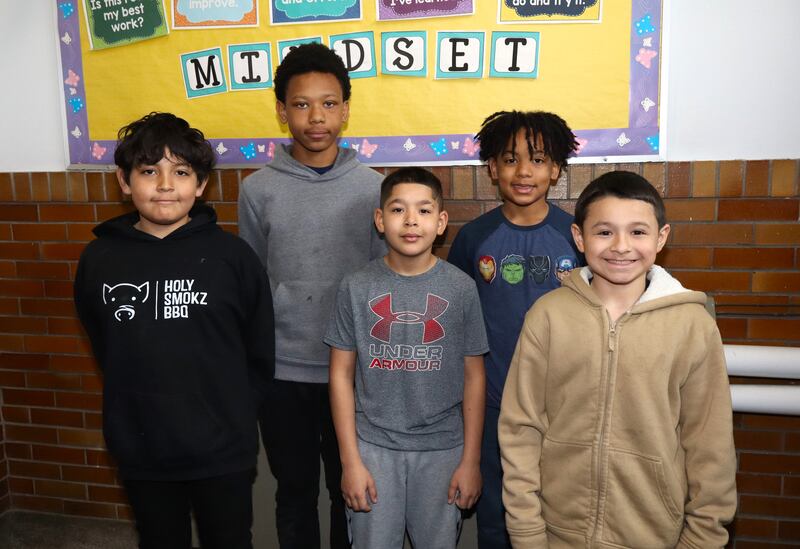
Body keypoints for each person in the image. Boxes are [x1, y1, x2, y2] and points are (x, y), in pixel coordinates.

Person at [499, 171, 737, 548]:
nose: (621, 246)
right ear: (580, 238)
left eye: (638, 232)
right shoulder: (548, 316)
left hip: (654, 536)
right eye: (605, 232)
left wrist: (702, 538)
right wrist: (526, 531)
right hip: (556, 533)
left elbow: (711, 443)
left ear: (661, 237)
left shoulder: (692, 325)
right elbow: (520, 427)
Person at [74, 112, 274, 549]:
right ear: (124, 181)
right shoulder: (99, 260)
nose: (165, 185)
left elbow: (259, 348)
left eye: (181, 172)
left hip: (222, 446)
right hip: (141, 445)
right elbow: (105, 343)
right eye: (149, 171)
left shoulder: (233, 258)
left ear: (201, 185)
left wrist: (234, 413)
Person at [237, 42, 384, 549]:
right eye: (301, 104)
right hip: (283, 372)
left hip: (355, 369)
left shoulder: (374, 188)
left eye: (328, 103)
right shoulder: (257, 190)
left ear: (345, 109)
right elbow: (253, 280)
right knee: (295, 491)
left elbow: (382, 281)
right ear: (282, 111)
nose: (315, 117)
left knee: (351, 489)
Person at [325, 167, 489, 548]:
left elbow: (475, 377)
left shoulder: (461, 289)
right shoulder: (356, 287)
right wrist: (350, 462)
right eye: (398, 209)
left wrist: (470, 461)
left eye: (424, 210)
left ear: (441, 222)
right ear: (380, 220)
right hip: (372, 449)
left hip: (443, 450)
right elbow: (340, 376)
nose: (411, 220)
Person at [447, 110, 581, 549]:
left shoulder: (575, 237)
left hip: (562, 406)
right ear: (492, 168)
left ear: (556, 169)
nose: (524, 171)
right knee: (496, 517)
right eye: (510, 159)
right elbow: (457, 322)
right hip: (493, 405)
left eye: (538, 160)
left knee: (560, 513)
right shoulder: (474, 238)